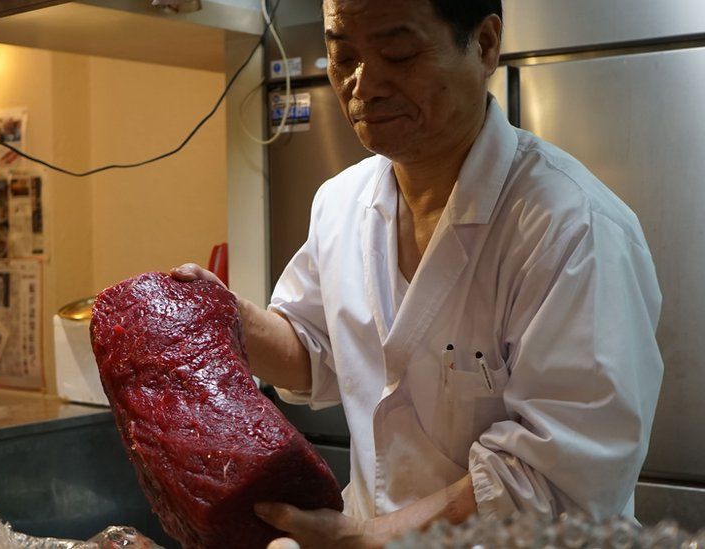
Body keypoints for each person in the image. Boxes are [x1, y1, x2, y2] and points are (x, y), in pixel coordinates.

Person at [172, 0, 663, 546]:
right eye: (343, 57)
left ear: (484, 45)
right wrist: (226, 319)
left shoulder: (573, 226)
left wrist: (370, 537)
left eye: (399, 53)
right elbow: (316, 346)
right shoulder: (340, 202)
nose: (365, 85)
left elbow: (560, 471)